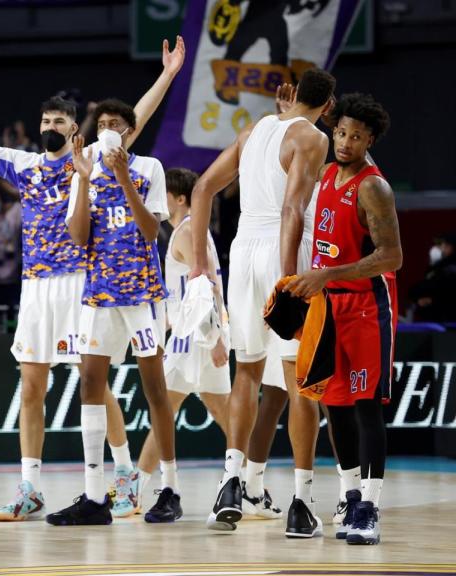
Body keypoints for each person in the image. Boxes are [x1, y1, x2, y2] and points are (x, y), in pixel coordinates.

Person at [0, 36, 186, 522]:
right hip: (36, 286)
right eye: (46, 121)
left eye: (59, 122)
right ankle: (30, 485)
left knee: (95, 382)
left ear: (73, 133)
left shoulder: (85, 163)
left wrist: (167, 76)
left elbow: (131, 127)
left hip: (81, 281)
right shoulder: (23, 167)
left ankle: (125, 473)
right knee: (31, 386)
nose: (50, 127)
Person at [189, 68, 336, 537]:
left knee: (248, 372)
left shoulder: (252, 131)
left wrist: (198, 266)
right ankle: (301, 502)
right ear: (328, 107)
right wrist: (290, 279)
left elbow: (201, 189)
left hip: (242, 250)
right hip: (280, 250)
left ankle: (232, 483)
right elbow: (293, 208)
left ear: (290, 96)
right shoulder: (312, 138)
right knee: (299, 384)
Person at [283, 92, 401, 546]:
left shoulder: (374, 187)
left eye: (356, 135)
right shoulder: (327, 174)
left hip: (368, 307)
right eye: (340, 132)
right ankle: (350, 496)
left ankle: (369, 507)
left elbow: (392, 256)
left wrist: (328, 274)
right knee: (335, 406)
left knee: (367, 408)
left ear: (370, 138)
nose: (345, 141)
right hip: (330, 305)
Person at [57, 106, 177, 525]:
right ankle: (93, 497)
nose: (106, 131)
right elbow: (77, 237)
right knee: (90, 382)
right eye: (102, 125)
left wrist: (123, 177)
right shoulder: (82, 171)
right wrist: (86, 178)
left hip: (142, 295)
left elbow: (149, 231)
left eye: (114, 126)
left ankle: (170, 488)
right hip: (99, 294)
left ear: (130, 132)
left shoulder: (149, 168)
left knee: (155, 389)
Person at [135, 167, 232, 505]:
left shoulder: (187, 231)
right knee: (226, 415)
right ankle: (249, 484)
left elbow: (201, 286)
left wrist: (215, 337)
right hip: (203, 331)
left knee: (163, 411)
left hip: (194, 336)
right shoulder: (192, 230)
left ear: (178, 198)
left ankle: (135, 490)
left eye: (163, 195)